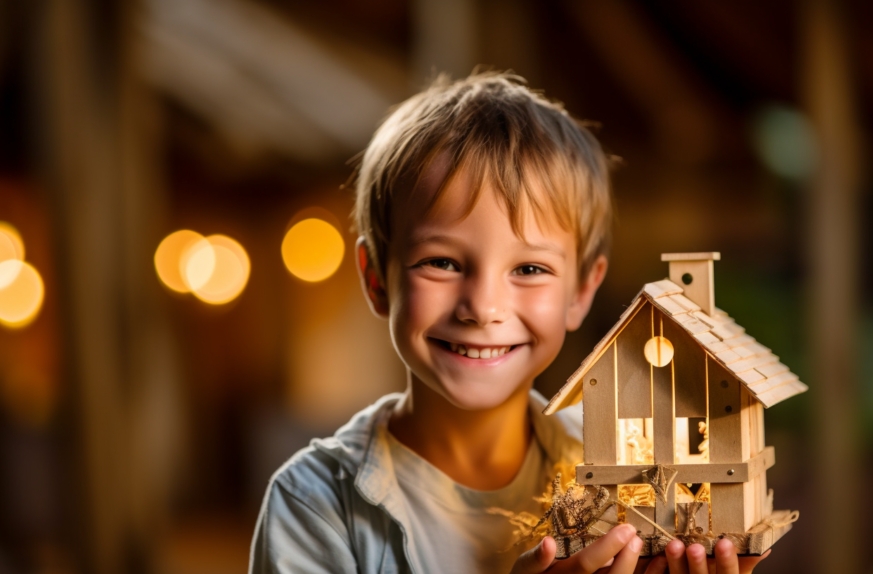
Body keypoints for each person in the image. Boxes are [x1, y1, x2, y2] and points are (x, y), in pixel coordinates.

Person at [249, 72, 769, 574]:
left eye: (529, 269)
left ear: (581, 291)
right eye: (442, 262)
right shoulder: (315, 506)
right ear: (376, 279)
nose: (483, 306)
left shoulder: (631, 479)